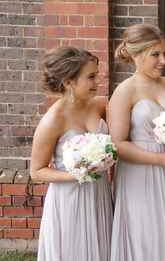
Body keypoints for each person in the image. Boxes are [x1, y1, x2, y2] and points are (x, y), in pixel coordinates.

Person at [109, 24, 165, 261]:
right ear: (135, 55)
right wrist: (161, 159)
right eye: (155, 54)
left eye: (164, 53)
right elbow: (118, 144)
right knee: (147, 235)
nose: (162, 60)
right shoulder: (125, 92)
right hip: (140, 175)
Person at [31, 47, 112, 261]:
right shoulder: (53, 120)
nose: (98, 82)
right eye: (91, 77)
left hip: (99, 193)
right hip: (70, 198)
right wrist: (77, 175)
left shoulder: (99, 105)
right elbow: (37, 171)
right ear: (69, 82)